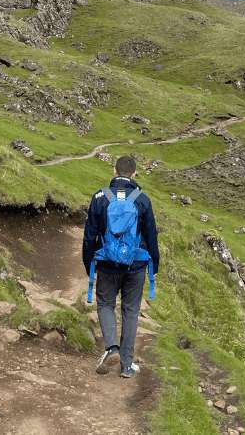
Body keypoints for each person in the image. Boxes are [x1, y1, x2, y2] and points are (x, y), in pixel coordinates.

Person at [83, 155, 159, 378]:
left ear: (114, 171)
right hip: (135, 265)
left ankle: (111, 348)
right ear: (134, 173)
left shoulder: (100, 197)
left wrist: (89, 263)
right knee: (131, 310)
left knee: (106, 304)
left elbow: (89, 237)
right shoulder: (142, 200)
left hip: (107, 263)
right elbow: (151, 237)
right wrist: (154, 266)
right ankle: (126, 365)